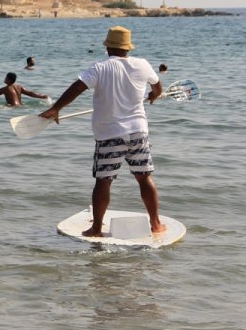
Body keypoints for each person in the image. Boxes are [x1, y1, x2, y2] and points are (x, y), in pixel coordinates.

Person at [39, 26, 166, 237]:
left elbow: (77, 88)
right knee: (144, 177)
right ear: (128, 48)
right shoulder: (142, 64)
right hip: (138, 132)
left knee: (103, 181)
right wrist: (153, 96)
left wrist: (55, 108)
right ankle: (156, 224)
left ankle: (96, 228)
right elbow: (158, 88)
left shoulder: (99, 67)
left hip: (110, 134)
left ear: (107, 47)